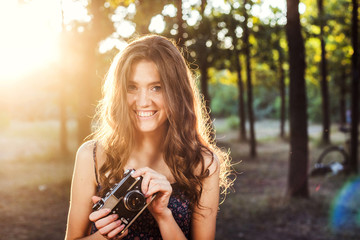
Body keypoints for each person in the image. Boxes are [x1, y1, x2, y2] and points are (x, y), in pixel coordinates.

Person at [65, 35, 232, 240]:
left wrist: (163, 216)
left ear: (176, 92)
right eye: (132, 87)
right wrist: (107, 235)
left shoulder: (203, 164)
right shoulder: (91, 156)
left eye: (157, 87)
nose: (143, 101)